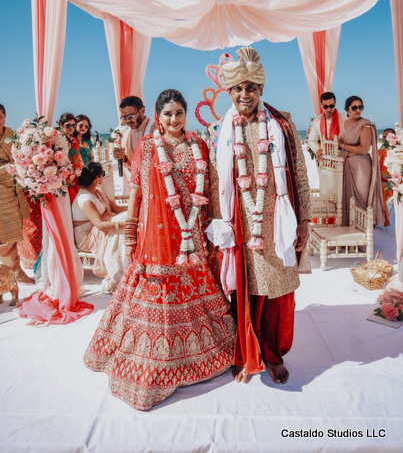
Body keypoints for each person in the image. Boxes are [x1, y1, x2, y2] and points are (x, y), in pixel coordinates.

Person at [84, 89, 236, 411]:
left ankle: (198, 357)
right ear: (158, 116)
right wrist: (130, 232)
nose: (173, 119)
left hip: (191, 231)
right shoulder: (148, 147)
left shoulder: (199, 145)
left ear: (184, 114)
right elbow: (136, 192)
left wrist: (214, 225)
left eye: (178, 112)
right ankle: (152, 360)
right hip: (156, 236)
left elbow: (207, 188)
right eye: (167, 114)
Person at [207, 47, 312, 386]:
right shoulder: (218, 131)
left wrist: (305, 220)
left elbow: (299, 173)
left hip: (276, 220)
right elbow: (212, 180)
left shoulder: (281, 124)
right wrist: (217, 225)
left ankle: (272, 354)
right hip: (240, 223)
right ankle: (245, 353)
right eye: (237, 88)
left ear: (261, 90)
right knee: (243, 291)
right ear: (229, 92)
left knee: (274, 292)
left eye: (251, 87)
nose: (244, 94)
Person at [72, 163, 127, 294]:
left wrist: (135, 212)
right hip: (87, 236)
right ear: (97, 177)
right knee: (122, 228)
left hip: (101, 227)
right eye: (102, 174)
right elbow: (99, 225)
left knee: (125, 220)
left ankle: (129, 267)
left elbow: (117, 209)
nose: (104, 177)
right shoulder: (85, 198)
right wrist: (126, 223)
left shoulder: (98, 192)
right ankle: (119, 276)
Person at [0, 103, 34, 284]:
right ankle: (13, 274)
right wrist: (9, 168)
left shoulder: (11, 135)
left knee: (13, 233)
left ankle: (14, 272)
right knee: (4, 237)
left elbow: (20, 158)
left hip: (14, 192)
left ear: (4, 117)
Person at [338, 96, 384, 226]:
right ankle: (350, 233)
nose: (358, 110)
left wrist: (343, 146)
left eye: (360, 107)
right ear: (347, 109)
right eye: (354, 107)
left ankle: (364, 238)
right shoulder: (344, 124)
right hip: (347, 165)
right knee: (348, 199)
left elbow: (364, 149)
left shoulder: (365, 126)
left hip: (361, 167)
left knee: (362, 200)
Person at [113, 96, 155, 169]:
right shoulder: (126, 134)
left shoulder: (155, 127)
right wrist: (122, 157)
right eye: (124, 117)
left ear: (142, 111)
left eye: (131, 116)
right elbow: (131, 165)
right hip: (138, 179)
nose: (128, 120)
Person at [308, 92, 347, 162]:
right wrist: (317, 150)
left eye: (331, 106)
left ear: (335, 103)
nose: (328, 109)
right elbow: (311, 140)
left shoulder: (344, 118)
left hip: (342, 159)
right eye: (325, 107)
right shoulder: (317, 120)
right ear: (321, 105)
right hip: (324, 159)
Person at [58, 112, 83, 204]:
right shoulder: (58, 141)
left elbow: (78, 158)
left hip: (77, 176)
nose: (71, 128)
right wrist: (65, 180)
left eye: (73, 125)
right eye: (68, 125)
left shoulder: (74, 139)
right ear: (60, 125)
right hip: (66, 179)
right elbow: (57, 163)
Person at [379, 128, 396, 227]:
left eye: (388, 136)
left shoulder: (398, 150)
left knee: (380, 188)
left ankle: (383, 218)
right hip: (381, 179)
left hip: (392, 180)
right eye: (384, 137)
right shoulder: (380, 151)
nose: (385, 139)